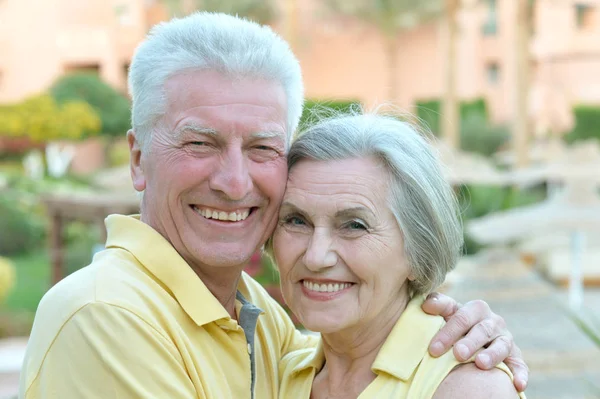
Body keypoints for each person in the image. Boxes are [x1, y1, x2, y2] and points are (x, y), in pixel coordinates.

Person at [19, 12, 527, 399]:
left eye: (262, 148)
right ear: (137, 158)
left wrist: (472, 342)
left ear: (419, 248)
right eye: (200, 144)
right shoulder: (105, 316)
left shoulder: (269, 332)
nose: (235, 182)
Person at [274, 112, 526, 398]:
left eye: (354, 225)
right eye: (296, 220)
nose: (315, 257)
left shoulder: (467, 387)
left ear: (418, 249)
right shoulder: (280, 369)